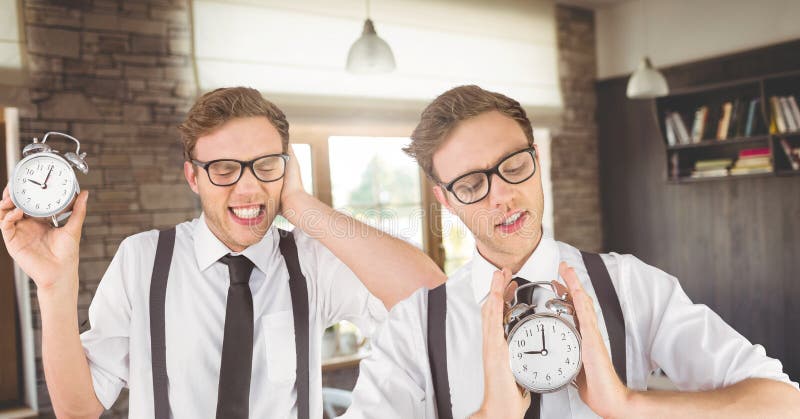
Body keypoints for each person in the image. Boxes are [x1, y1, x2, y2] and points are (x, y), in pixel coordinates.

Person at [342, 85, 800, 419]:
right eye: (471, 184)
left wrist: (628, 404)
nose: (501, 196)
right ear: (445, 199)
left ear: (537, 160)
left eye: (514, 166)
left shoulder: (629, 285)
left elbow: (783, 403)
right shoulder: (413, 328)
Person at [0, 87, 445, 418]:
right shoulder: (142, 260)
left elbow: (427, 296)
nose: (248, 187)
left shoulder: (311, 261)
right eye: (224, 169)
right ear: (193, 178)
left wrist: (302, 206)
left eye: (265, 165)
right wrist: (54, 286)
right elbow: (79, 409)